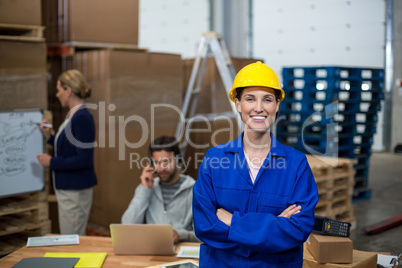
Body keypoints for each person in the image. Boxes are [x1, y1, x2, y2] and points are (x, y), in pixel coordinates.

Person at [192, 61, 319, 267]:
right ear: (238, 104)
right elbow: (205, 226)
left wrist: (233, 221)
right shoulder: (214, 160)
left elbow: (297, 229)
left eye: (267, 99)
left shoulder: (296, 164)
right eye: (250, 99)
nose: (258, 108)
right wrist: (274, 226)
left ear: (277, 105)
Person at [36, 69, 97, 236]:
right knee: (71, 238)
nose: (57, 94)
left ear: (68, 91)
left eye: (59, 90)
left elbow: (84, 159)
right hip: (70, 190)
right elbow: (70, 148)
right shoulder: (73, 115)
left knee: (73, 240)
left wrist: (51, 162)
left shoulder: (82, 118)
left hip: (75, 191)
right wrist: (50, 137)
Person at [122, 136, 199, 243]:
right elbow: (127, 226)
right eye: (157, 163)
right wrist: (145, 190)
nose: (162, 168)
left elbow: (202, 235)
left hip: (180, 251)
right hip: (151, 250)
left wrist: (179, 234)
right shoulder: (146, 188)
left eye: (166, 162)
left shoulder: (195, 190)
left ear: (178, 160)